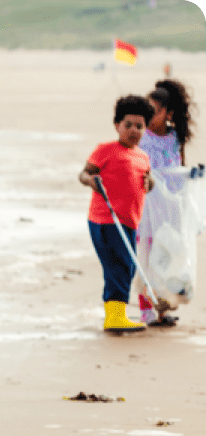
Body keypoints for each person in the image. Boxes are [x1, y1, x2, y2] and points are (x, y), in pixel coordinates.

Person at [78, 96, 156, 333]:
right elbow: (83, 174)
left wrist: (149, 181)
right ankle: (114, 317)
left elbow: (147, 181)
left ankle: (116, 313)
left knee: (127, 267)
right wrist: (92, 181)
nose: (134, 130)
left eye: (139, 126)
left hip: (130, 220)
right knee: (118, 267)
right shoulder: (105, 150)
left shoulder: (142, 157)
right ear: (117, 125)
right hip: (106, 220)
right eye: (128, 124)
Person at [136, 78, 195, 326]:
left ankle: (163, 308)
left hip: (171, 207)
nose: (150, 116)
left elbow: (179, 169)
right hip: (148, 207)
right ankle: (147, 311)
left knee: (168, 255)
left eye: (156, 111)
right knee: (147, 256)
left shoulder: (175, 138)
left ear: (169, 113)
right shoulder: (141, 137)